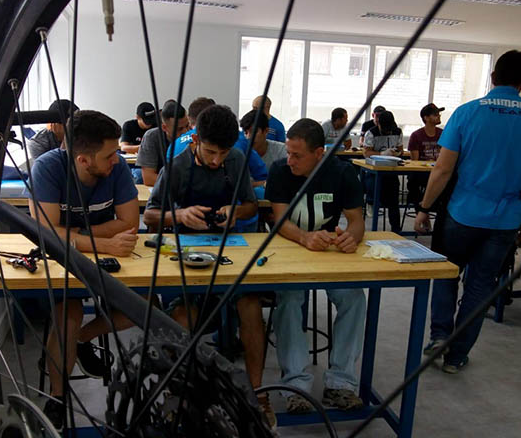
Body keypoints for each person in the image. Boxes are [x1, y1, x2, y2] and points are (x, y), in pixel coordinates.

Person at [415, 50, 521, 374]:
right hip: (505, 219)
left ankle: (439, 338)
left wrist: (424, 208)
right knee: (479, 287)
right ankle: (457, 356)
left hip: (462, 213)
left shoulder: (467, 113)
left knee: (447, 275)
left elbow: (443, 170)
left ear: (492, 77)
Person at [143, 105, 275, 427]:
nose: (217, 161)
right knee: (181, 318)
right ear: (195, 140)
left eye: (224, 153)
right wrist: (180, 216)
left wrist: (236, 212)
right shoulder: (176, 167)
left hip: (229, 250)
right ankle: (181, 396)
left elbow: (250, 204)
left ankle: (256, 394)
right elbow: (150, 215)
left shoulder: (237, 160)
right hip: (186, 257)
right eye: (211, 152)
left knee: (250, 305)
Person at [28, 110, 140, 429]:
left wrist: (71, 236)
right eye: (109, 154)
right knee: (67, 315)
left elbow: (130, 224)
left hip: (105, 261)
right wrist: (103, 240)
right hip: (63, 263)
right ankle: (57, 397)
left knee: (141, 308)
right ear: (82, 160)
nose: (116, 160)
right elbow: (46, 234)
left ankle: (81, 339)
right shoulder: (48, 167)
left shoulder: (114, 168)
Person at [265, 118, 366, 414]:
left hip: (329, 252)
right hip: (292, 251)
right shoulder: (280, 171)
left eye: (298, 155)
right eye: (288, 152)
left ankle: (341, 384)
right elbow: (280, 220)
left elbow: (357, 220)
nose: (290, 160)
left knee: (354, 298)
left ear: (319, 152)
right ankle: (296, 386)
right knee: (289, 299)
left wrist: (351, 239)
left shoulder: (343, 173)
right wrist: (305, 237)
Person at [362, 110, 403, 232]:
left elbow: (401, 149)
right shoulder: (371, 133)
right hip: (375, 169)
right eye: (385, 130)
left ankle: (396, 230)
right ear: (379, 124)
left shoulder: (397, 131)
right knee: (371, 183)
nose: (388, 132)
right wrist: (381, 153)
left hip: (390, 169)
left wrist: (396, 152)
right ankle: (370, 201)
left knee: (394, 200)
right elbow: (366, 153)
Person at [136, 100, 190, 186]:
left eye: (187, 126)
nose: (186, 131)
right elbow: (148, 178)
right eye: (179, 129)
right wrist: (182, 184)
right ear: (164, 127)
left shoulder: (193, 135)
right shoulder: (152, 137)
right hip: (165, 189)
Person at [406, 103, 445, 208]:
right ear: (426, 118)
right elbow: (415, 161)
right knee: (413, 180)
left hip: (438, 170)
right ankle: (422, 210)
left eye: (439, 114)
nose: (439, 116)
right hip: (422, 172)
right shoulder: (416, 135)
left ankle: (435, 210)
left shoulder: (443, 133)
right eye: (435, 114)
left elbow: (446, 156)